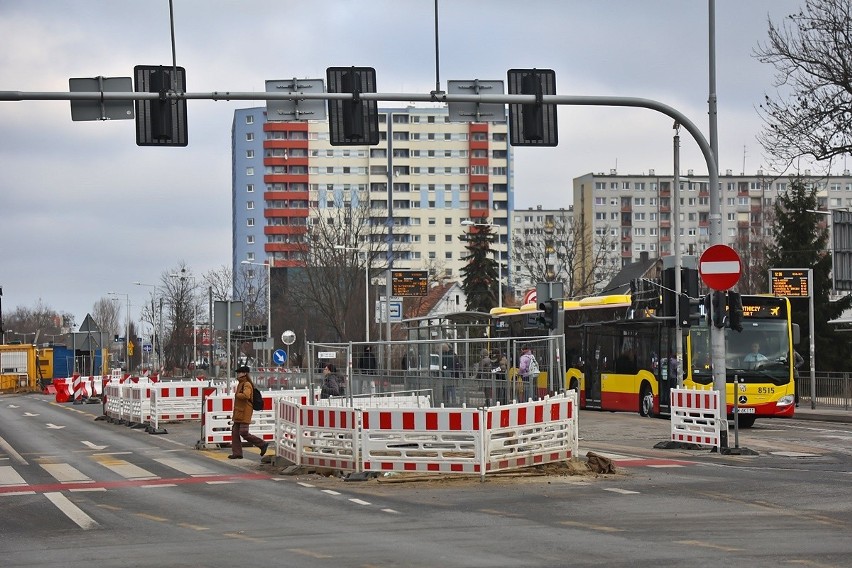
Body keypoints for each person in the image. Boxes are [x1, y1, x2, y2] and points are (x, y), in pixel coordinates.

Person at [228, 365, 269, 460]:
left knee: (243, 432)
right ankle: (237, 453)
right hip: (239, 411)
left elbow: (246, 395)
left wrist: (238, 395)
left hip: (245, 411)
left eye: (239, 372)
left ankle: (262, 444)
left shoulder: (247, 384)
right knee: (235, 432)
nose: (238, 374)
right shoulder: (241, 383)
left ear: (244, 374)